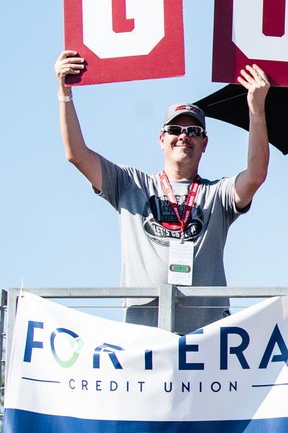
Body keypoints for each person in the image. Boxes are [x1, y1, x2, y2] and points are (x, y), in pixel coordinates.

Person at [54, 50, 271, 335]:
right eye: (174, 129)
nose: (183, 136)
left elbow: (256, 176)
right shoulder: (131, 183)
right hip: (145, 334)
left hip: (206, 339)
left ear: (205, 143)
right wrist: (65, 93)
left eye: (193, 131)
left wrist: (256, 109)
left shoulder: (217, 194)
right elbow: (77, 155)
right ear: (161, 140)